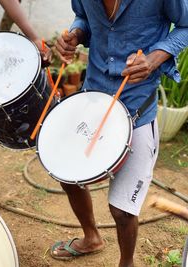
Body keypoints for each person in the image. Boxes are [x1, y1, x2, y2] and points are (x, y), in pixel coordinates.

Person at [53, 1, 188, 266]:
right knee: (66, 172)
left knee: (122, 211)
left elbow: (186, 25)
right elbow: (83, 17)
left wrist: (154, 57)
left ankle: (127, 262)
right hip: (93, 95)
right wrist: (76, 35)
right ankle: (92, 237)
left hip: (136, 106)